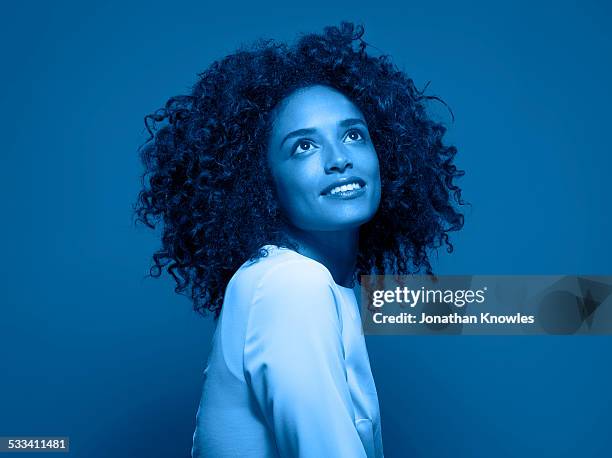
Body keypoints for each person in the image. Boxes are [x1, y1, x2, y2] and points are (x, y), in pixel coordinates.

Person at [135, 22, 464, 458]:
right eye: (303, 147)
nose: (339, 159)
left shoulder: (319, 286)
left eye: (353, 135)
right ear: (261, 182)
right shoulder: (290, 285)